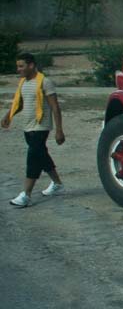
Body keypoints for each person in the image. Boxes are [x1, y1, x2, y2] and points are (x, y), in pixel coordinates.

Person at [3, 52, 66, 207]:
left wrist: (59, 130)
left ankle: (26, 194)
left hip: (41, 126)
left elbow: (55, 107)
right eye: (17, 66)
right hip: (28, 127)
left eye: (21, 66)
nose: (18, 69)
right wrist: (8, 115)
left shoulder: (45, 82)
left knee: (33, 158)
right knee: (41, 155)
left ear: (31, 65)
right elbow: (21, 104)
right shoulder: (23, 82)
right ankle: (57, 184)